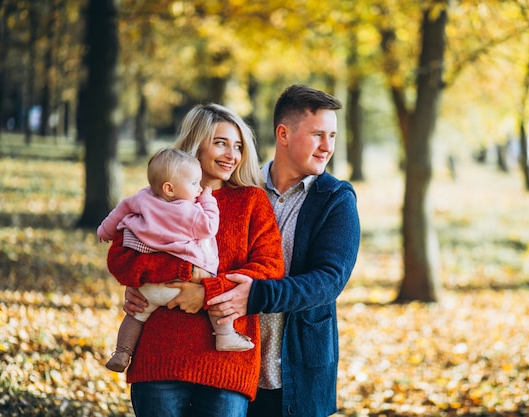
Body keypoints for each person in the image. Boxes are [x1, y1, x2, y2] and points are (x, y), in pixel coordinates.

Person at [106, 103, 285, 417]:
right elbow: (121, 258)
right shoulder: (155, 198)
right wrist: (178, 272)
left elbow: (270, 268)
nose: (232, 154)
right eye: (220, 143)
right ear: (195, 143)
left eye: (239, 146)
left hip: (227, 363)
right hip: (161, 357)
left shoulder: (252, 201)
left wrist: (207, 291)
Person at [206, 84, 361, 417]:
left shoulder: (336, 200)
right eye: (318, 134)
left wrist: (259, 295)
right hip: (226, 364)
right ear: (283, 134)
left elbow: (329, 280)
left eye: (332, 136)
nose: (327, 147)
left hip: (296, 368)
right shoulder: (239, 188)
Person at [98, 147, 255, 373]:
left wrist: (105, 230)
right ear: (169, 188)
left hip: (150, 288)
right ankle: (225, 336)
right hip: (188, 278)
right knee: (217, 298)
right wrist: (208, 201)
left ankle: (122, 352)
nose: (199, 188)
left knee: (136, 315)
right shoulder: (187, 210)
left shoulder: (142, 198)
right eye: (194, 184)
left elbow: (120, 209)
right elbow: (209, 227)